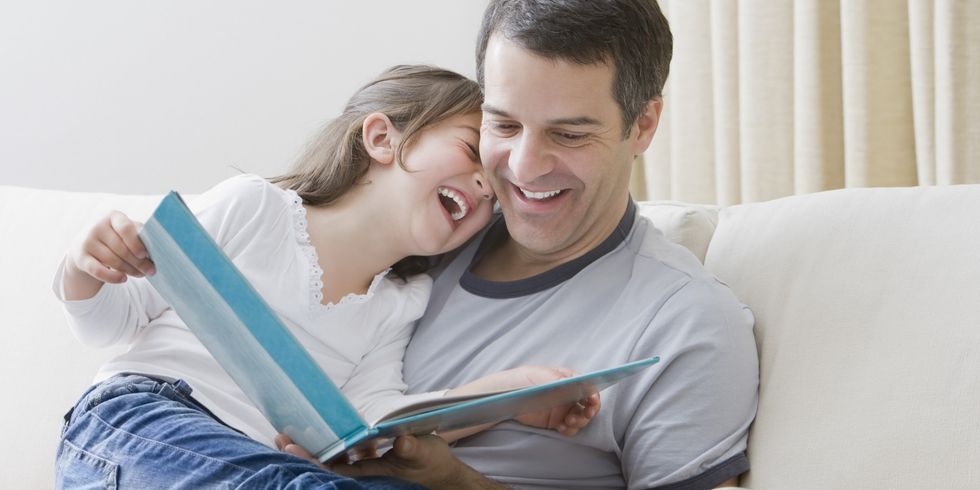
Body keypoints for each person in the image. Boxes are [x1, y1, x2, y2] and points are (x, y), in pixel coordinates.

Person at [53, 65, 600, 489]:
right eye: (467, 151)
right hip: (138, 421)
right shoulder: (258, 209)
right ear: (382, 139)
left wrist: (511, 392)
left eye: (492, 194)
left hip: (256, 460)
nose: (483, 189)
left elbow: (372, 423)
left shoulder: (402, 301)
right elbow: (114, 324)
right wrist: (87, 265)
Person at [308, 1, 759, 489]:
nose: (524, 168)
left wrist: (455, 482)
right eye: (503, 125)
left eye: (568, 134)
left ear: (643, 124)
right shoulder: (426, 238)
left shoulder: (685, 323)